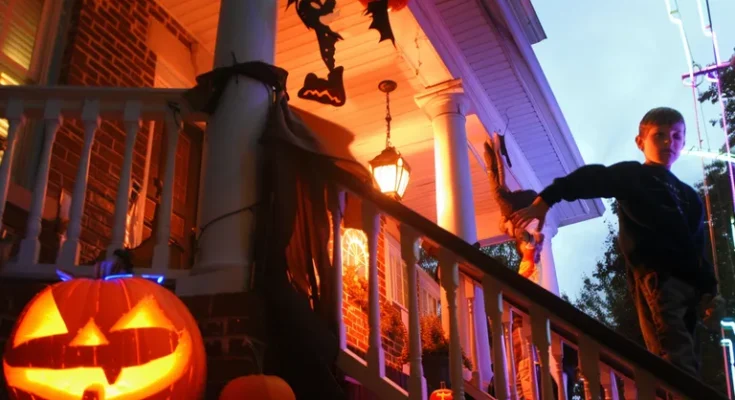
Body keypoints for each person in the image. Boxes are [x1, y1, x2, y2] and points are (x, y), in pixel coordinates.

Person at [509, 107, 722, 376]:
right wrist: (546, 199)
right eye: (660, 135)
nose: (670, 142)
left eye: (677, 136)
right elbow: (593, 178)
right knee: (672, 351)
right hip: (658, 278)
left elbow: (698, 247)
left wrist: (709, 291)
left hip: (690, 287)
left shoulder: (688, 196)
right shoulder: (635, 176)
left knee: (690, 354)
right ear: (640, 142)